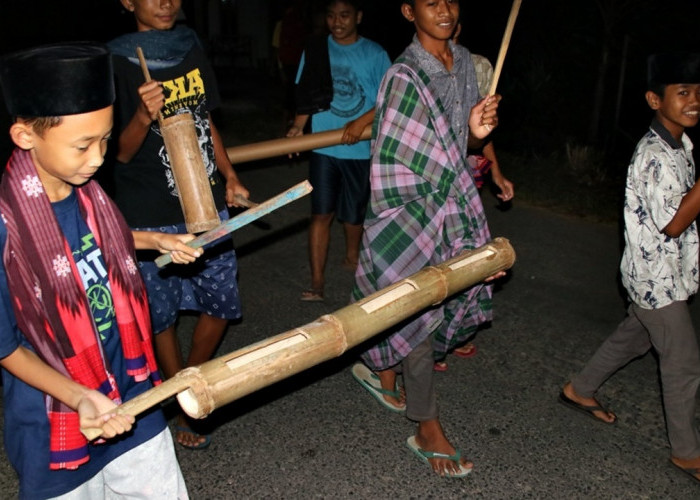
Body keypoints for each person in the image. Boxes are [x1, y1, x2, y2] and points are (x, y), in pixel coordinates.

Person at [0, 42, 199, 499]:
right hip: (58, 413)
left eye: (106, 139)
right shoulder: (8, 226)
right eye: (83, 145)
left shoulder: (86, 193)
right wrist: (79, 396)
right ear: (25, 136)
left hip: (131, 388)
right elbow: (6, 346)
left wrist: (156, 241)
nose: (98, 157)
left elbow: (98, 242)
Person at [350, 0, 503, 478]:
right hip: (410, 211)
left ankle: (382, 369)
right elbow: (395, 155)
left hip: (450, 202)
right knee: (418, 304)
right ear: (407, 11)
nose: (444, 9)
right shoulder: (402, 75)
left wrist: (478, 133)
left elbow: (462, 144)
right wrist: (453, 171)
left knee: (421, 306)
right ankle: (426, 425)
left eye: (451, 0)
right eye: (430, 1)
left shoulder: (463, 66)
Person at [108, 0, 249, 449]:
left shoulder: (189, 46)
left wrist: (228, 175)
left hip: (205, 201)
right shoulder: (113, 60)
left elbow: (206, 119)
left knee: (222, 299)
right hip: (150, 209)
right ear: (128, 2)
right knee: (160, 313)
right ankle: (179, 391)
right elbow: (120, 154)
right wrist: (143, 116)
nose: (167, 2)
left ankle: (190, 377)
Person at [559, 52, 700, 484]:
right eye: (683, 93)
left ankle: (578, 390)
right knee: (683, 360)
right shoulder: (654, 154)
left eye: (697, 93)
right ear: (655, 100)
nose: (694, 100)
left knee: (634, 339)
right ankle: (687, 453)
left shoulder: (681, 144)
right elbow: (674, 223)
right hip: (654, 277)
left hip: (663, 273)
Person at [287, 0, 391, 302]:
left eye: (344, 15)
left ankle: (351, 257)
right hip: (323, 147)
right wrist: (297, 127)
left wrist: (361, 123)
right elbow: (306, 94)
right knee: (321, 214)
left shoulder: (375, 53)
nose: (337, 21)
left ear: (358, 16)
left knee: (354, 216)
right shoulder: (316, 49)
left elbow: (389, 98)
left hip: (360, 149)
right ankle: (317, 281)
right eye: (331, 15)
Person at [433, 34, 514, 372]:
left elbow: (482, 131)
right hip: (434, 177)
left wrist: (496, 173)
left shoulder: (476, 66)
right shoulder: (415, 69)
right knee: (438, 260)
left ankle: (454, 332)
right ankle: (425, 343)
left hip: (466, 175)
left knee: (470, 257)